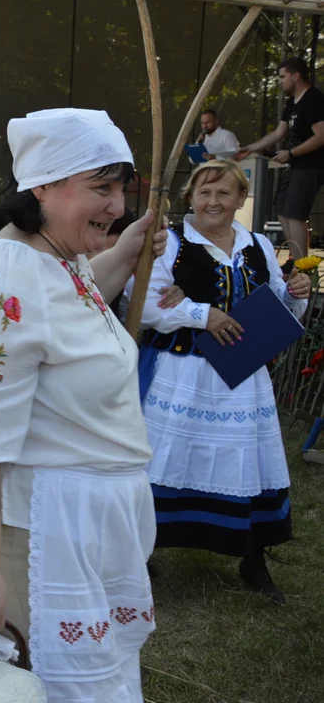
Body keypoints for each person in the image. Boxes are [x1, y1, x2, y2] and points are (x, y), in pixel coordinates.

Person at [0, 108, 170, 701]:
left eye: (122, 189)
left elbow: (60, 319)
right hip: (26, 533)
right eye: (100, 188)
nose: (117, 206)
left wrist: (122, 254)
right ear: (43, 185)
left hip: (71, 529)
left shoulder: (55, 262)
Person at [132, 159, 310, 604]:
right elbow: (145, 306)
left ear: (240, 200)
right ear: (190, 197)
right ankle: (139, 554)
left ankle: (253, 558)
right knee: (165, 457)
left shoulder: (256, 245)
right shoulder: (168, 243)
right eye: (205, 192)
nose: (213, 201)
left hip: (242, 377)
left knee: (244, 460)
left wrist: (295, 295)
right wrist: (201, 313)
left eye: (224, 193)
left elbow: (273, 305)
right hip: (181, 372)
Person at [236, 57, 324, 264]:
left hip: (312, 165)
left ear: (296, 76)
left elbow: (321, 136)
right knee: (283, 212)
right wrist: (250, 148)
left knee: (295, 214)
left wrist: (291, 153)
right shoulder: (291, 103)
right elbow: (279, 132)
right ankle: (296, 259)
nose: (280, 81)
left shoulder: (313, 99)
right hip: (296, 164)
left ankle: (303, 267)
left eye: (283, 77)